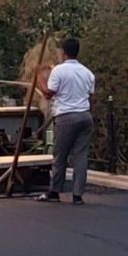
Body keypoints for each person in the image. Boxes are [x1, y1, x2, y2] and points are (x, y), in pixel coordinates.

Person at [37, 37, 95, 205]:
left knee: (60, 155)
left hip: (66, 116)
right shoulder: (87, 73)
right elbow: (91, 98)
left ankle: (55, 191)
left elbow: (48, 93)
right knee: (80, 156)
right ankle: (77, 195)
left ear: (63, 52)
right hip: (84, 115)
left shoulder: (59, 71)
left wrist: (39, 76)